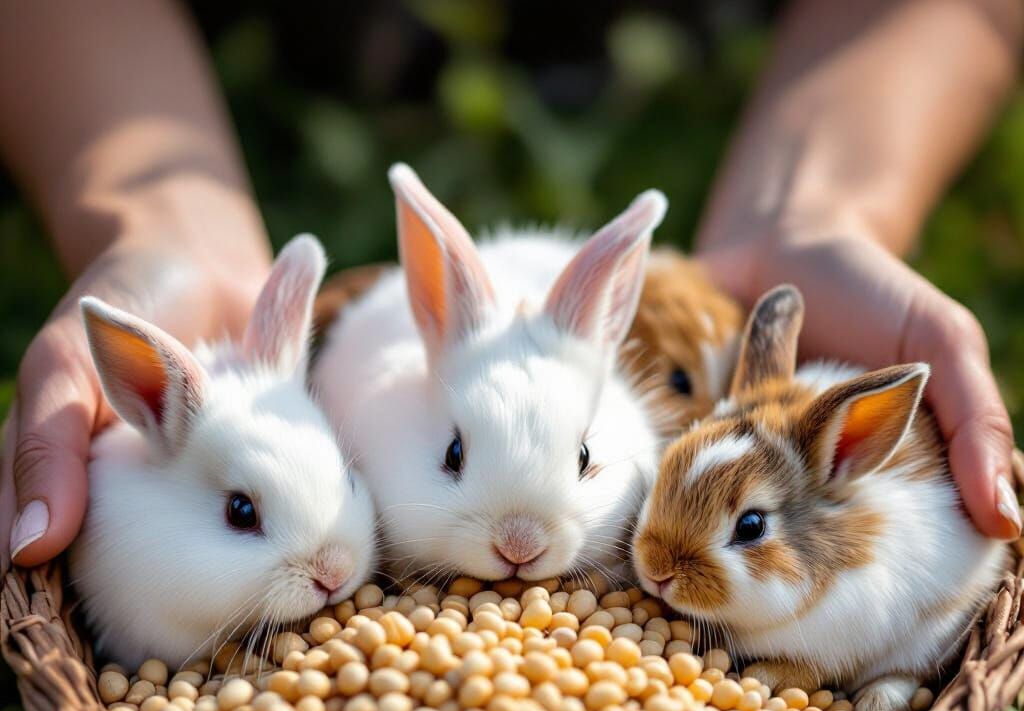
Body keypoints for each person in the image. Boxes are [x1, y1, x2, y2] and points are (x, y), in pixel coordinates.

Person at [2, 0, 1020, 577]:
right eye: (453, 455)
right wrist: (158, 224)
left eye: (584, 465)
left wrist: (821, 205)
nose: (522, 549)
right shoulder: (356, 421)